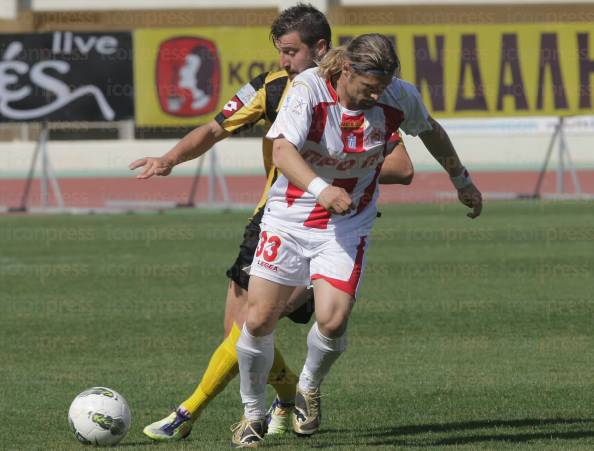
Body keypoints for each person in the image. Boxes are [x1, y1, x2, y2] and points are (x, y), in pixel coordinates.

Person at [130, 5, 414, 443]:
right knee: (245, 328)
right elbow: (214, 128)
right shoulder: (273, 88)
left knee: (255, 325)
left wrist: (342, 171)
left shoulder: (364, 95)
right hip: (273, 219)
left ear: (320, 48)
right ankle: (284, 402)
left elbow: (402, 165)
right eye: (279, 51)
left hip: (334, 224)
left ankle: (190, 412)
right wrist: (168, 159)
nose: (282, 60)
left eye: (290, 51)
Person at [230, 32, 482, 447]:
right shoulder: (309, 88)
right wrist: (321, 189)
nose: (375, 96)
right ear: (347, 70)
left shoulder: (399, 95)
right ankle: (253, 415)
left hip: (347, 224)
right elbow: (282, 152)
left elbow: (431, 132)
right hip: (289, 218)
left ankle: (308, 387)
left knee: (333, 319)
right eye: (368, 88)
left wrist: (461, 180)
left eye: (381, 88)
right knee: (257, 320)